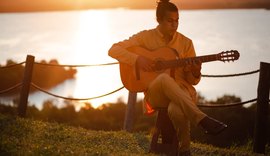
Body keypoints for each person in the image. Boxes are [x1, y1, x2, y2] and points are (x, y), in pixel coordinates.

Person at [108, 0, 227, 155]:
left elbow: (193, 81)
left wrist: (195, 71)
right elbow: (113, 50)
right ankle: (202, 119)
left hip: (183, 91)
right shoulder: (145, 37)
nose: (174, 25)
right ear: (159, 20)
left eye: (177, 21)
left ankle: (185, 151)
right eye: (170, 21)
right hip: (156, 93)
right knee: (164, 79)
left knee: (175, 110)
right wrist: (137, 59)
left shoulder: (186, 43)